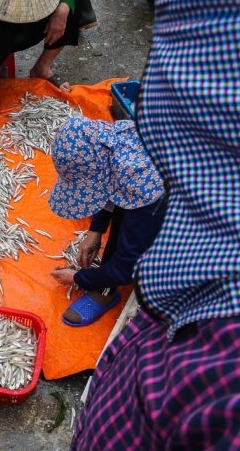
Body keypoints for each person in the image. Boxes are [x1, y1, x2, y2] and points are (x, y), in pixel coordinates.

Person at [65, 0, 240, 451]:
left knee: (123, 260)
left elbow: (127, 263)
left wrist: (85, 278)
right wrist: (95, 229)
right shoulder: (136, 150)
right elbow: (112, 197)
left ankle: (101, 297)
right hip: (126, 400)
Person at [48, 117, 166, 326]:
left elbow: (127, 268)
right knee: (128, 210)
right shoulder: (118, 140)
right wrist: (96, 230)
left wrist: (78, 278)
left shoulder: (144, 192)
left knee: (138, 238)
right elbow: (111, 189)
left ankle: (107, 289)